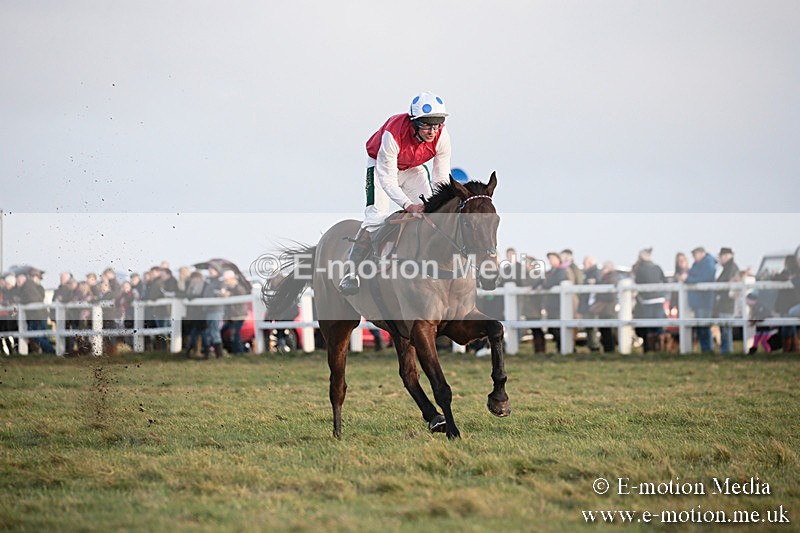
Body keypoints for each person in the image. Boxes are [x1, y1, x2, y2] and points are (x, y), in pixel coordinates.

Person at [338, 91, 451, 295]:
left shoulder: (442, 137)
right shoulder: (393, 133)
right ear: (414, 122)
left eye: (437, 125)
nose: (432, 131)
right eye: (426, 125)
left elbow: (440, 178)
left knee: (433, 212)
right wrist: (408, 205)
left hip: (412, 169)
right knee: (376, 217)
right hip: (381, 168)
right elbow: (388, 179)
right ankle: (351, 272)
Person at [633, 248, 667, 353]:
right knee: (659, 324)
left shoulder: (640, 269)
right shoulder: (657, 267)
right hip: (659, 298)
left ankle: (651, 348)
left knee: (649, 324)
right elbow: (664, 280)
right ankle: (661, 347)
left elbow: (637, 282)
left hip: (648, 299)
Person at [686, 246, 717, 353]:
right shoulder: (700, 264)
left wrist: (688, 279)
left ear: (701, 253)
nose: (694, 257)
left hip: (704, 300)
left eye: (695, 255)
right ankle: (705, 349)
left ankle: (707, 349)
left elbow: (705, 279)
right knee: (701, 326)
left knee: (704, 326)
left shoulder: (708, 263)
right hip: (699, 300)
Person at [16, 270, 55, 354]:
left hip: (36, 315)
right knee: (40, 335)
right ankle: (49, 352)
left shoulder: (28, 286)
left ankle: (50, 351)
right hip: (38, 315)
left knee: (36, 335)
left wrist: (20, 301)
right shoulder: (32, 286)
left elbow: (32, 299)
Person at [714, 247, 740, 354]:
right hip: (726, 302)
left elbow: (726, 284)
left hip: (727, 303)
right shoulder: (730, 267)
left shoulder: (730, 268)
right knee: (725, 328)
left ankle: (726, 350)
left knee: (726, 329)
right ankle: (726, 350)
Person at [773, 255, 800, 352]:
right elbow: (779, 278)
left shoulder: (796, 272)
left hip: (791, 303)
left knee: (788, 326)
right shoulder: (787, 272)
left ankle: (789, 348)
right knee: (788, 326)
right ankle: (791, 348)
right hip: (787, 303)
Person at [220, 270, 249, 355]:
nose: (225, 282)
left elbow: (241, 299)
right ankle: (235, 351)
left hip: (238, 315)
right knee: (225, 332)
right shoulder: (230, 288)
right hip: (232, 315)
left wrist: (229, 295)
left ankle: (239, 352)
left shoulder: (239, 288)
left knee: (235, 334)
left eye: (226, 280)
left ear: (232, 279)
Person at [593, 261, 620, 353]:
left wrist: (599, 296)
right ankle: (607, 349)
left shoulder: (612, 278)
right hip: (605, 308)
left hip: (608, 308)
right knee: (604, 329)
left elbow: (611, 295)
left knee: (608, 329)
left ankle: (610, 349)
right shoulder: (606, 277)